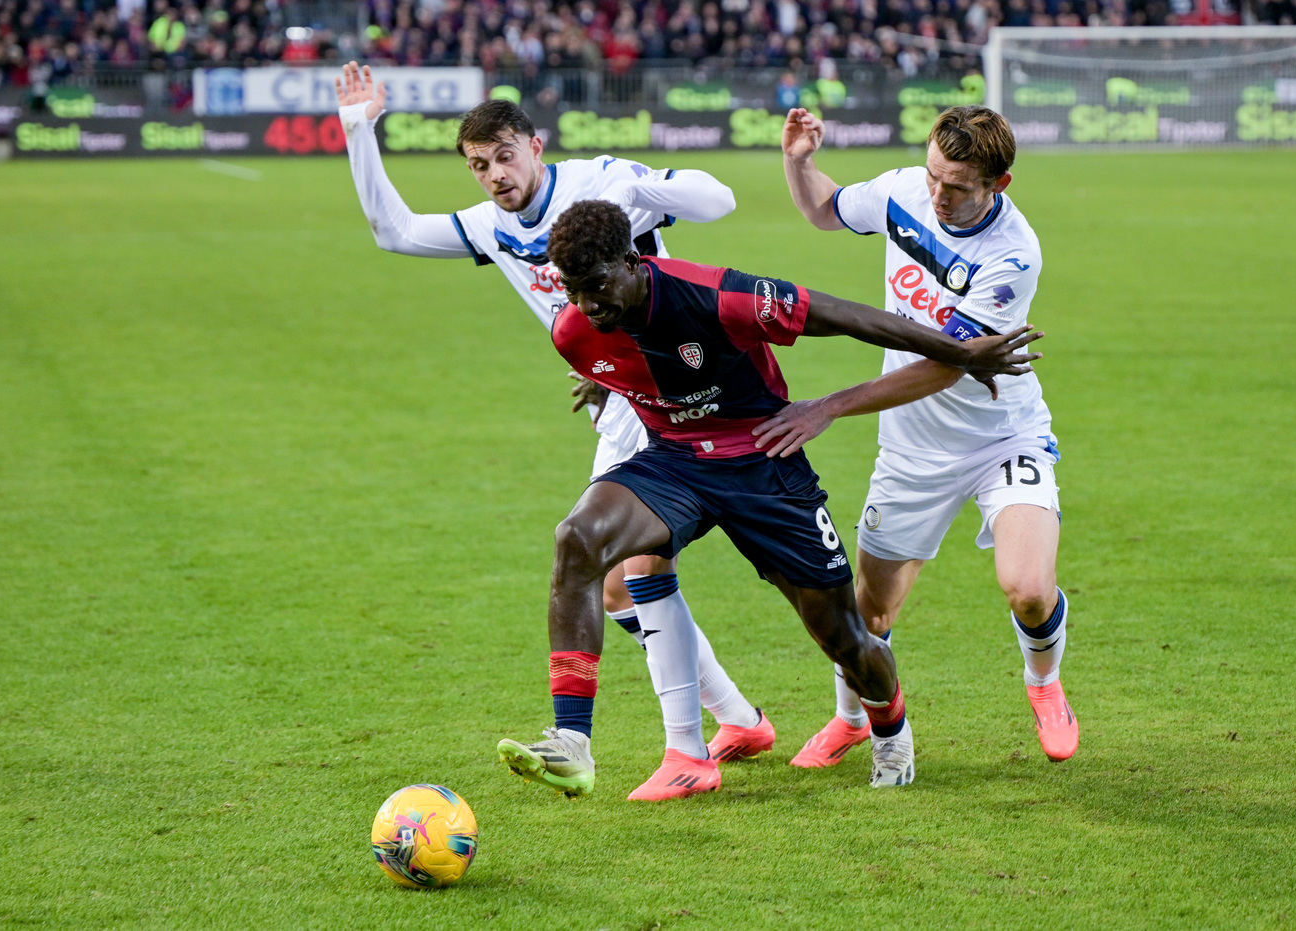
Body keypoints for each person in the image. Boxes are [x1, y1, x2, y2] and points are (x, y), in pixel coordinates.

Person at [496, 198, 1043, 798]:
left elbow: (842, 315)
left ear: (632, 260)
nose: (587, 305)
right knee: (578, 538)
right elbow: (621, 363)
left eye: (597, 286)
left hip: (765, 462)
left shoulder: (717, 294)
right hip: (675, 463)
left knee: (844, 637)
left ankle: (889, 728)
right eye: (574, 291)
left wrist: (960, 351)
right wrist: (601, 386)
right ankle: (572, 742)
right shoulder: (574, 330)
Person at [333, 62, 777, 797]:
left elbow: (719, 198)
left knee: (628, 565)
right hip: (623, 400)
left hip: (674, 386)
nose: (495, 175)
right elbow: (395, 230)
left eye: (505, 155)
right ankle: (737, 719)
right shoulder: (491, 226)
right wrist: (359, 129)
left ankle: (684, 752)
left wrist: (644, 191)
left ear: (535, 145)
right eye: (479, 165)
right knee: (611, 586)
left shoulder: (598, 182)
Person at [767, 104, 1079, 768]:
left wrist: (829, 406)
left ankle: (1044, 683)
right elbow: (825, 210)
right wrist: (800, 162)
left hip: (1003, 437)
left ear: (999, 184)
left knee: (1028, 586)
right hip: (912, 448)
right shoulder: (906, 188)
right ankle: (851, 718)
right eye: (935, 174)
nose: (937, 193)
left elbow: (942, 365)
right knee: (867, 613)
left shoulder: (1013, 255)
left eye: (957, 186)